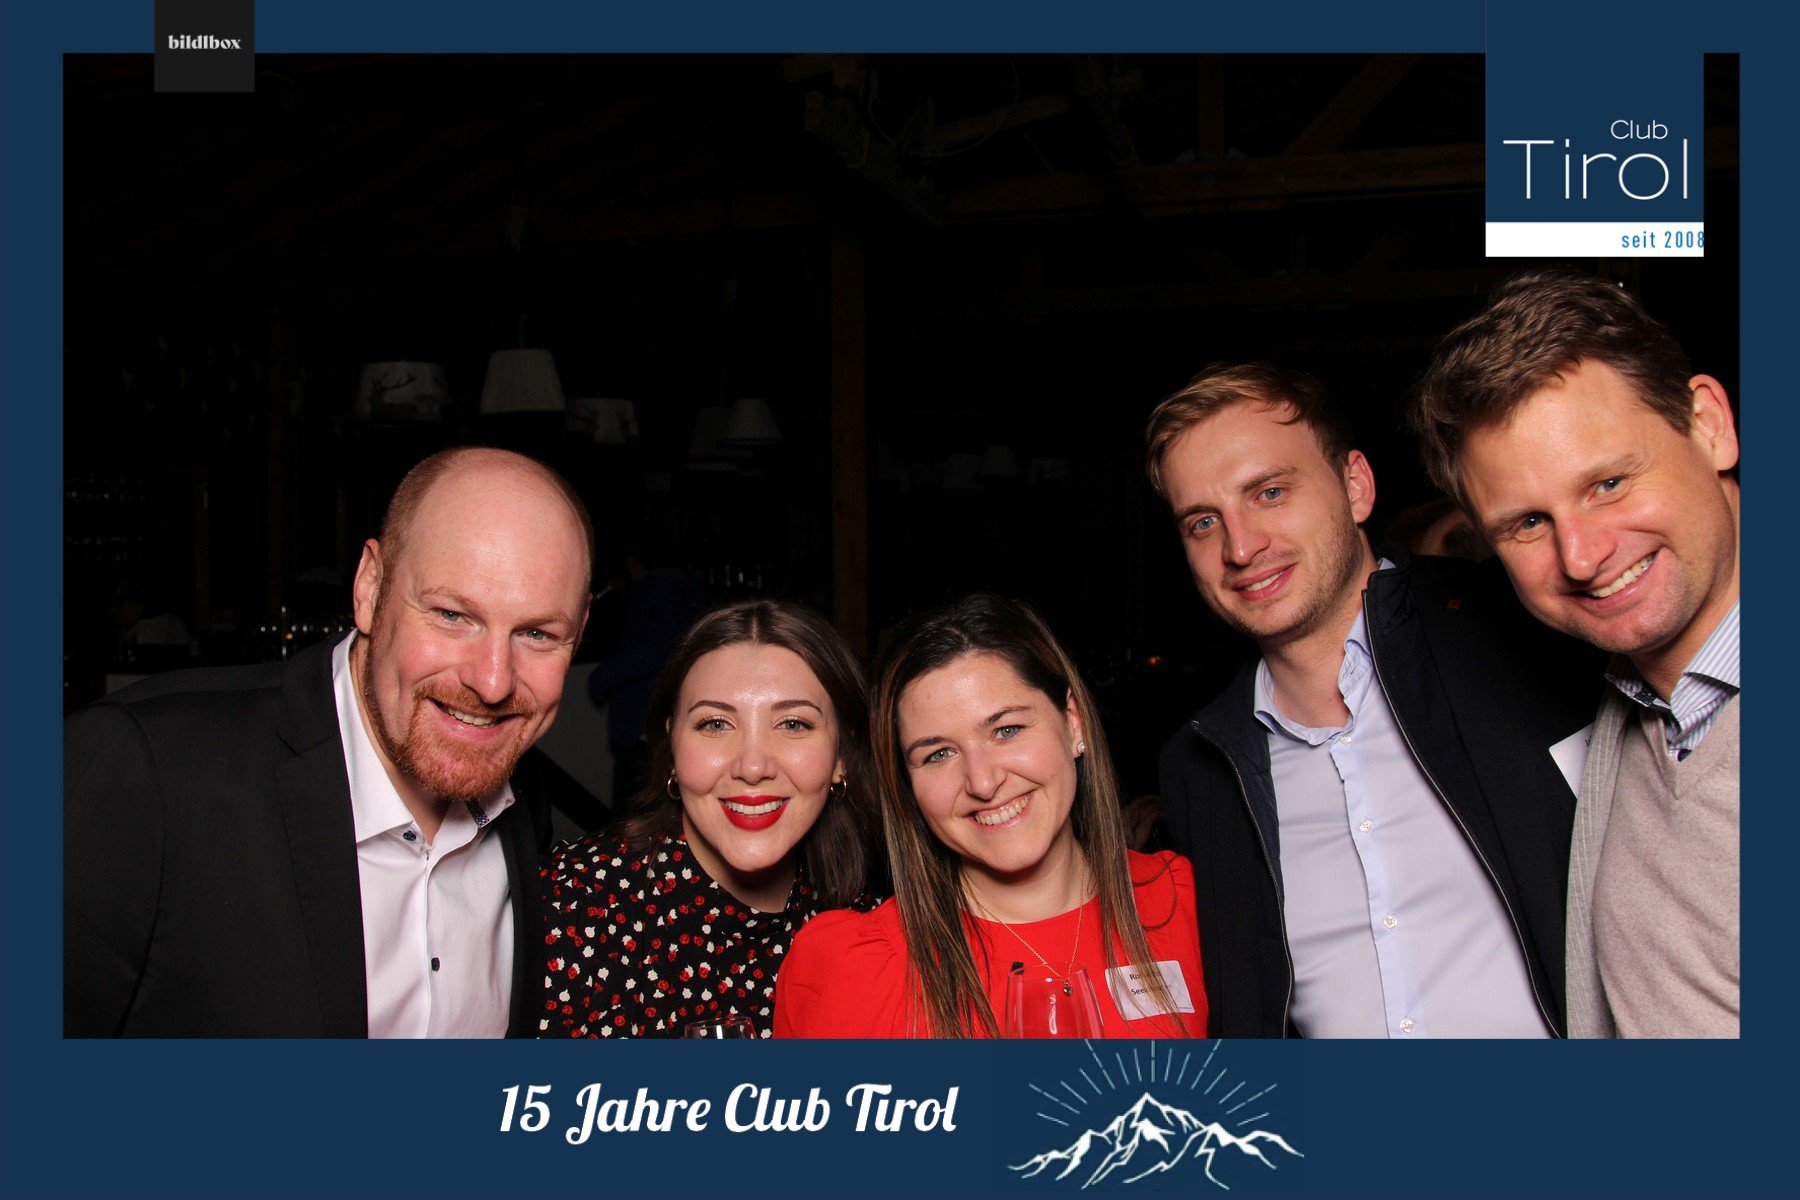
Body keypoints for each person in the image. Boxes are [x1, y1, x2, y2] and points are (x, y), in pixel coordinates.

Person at [65, 447, 594, 1037]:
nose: (493, 683)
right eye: (451, 615)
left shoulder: (519, 789)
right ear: (370, 587)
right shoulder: (146, 768)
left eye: (537, 633)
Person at [1145, 363, 1599, 1038]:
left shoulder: (1519, 631)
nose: (1240, 547)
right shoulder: (1200, 767)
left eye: (1270, 492)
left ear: (1355, 485)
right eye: (1203, 522)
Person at [1410, 268, 1740, 1038]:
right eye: (1528, 523)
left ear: (1708, 425)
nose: (1583, 556)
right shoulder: (1634, 709)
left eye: (1609, 483)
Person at [775, 594, 1206, 1038]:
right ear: (908, 784)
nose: (982, 782)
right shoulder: (848, 970)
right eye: (938, 754)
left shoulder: (1187, 903)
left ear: (1073, 722)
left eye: (1007, 730)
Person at [541, 600, 881, 1038]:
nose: (753, 766)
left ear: (841, 758)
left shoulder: (873, 931)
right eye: (716, 724)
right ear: (672, 750)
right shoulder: (573, 908)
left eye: (793, 724)